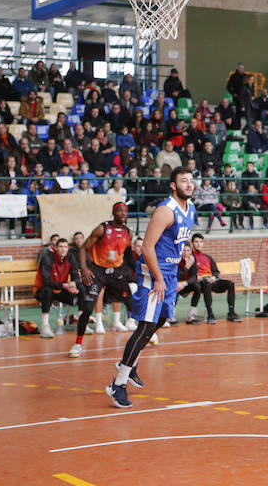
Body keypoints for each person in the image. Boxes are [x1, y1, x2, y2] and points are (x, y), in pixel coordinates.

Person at [105, 167, 196, 408]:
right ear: (173, 185)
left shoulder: (191, 208)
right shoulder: (166, 211)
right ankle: (119, 383)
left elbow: (180, 237)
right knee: (146, 327)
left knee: (158, 322)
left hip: (170, 273)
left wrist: (185, 254)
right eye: (183, 181)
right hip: (152, 274)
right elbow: (147, 247)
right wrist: (157, 278)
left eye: (191, 180)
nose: (189, 184)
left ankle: (130, 363)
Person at [70, 202, 135, 358]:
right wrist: (84, 268)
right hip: (98, 271)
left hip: (117, 271)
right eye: (119, 211)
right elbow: (83, 248)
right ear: (113, 213)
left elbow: (128, 254)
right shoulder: (103, 229)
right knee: (87, 307)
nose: (123, 214)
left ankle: (147, 334)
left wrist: (135, 271)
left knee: (132, 303)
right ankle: (78, 343)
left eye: (125, 211)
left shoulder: (128, 233)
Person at [188, 233, 243, 323]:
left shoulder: (208, 257)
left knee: (230, 284)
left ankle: (231, 313)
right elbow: (190, 273)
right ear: (192, 243)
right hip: (201, 282)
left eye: (201, 242)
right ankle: (210, 314)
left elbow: (216, 271)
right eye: (196, 242)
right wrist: (200, 277)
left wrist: (214, 277)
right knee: (207, 284)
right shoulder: (191, 257)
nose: (198, 244)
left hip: (212, 280)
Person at [34, 237, 80, 338]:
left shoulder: (70, 257)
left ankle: (82, 322)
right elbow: (46, 281)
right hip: (42, 290)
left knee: (82, 289)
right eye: (60, 247)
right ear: (55, 248)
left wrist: (73, 284)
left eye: (65, 247)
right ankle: (45, 326)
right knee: (48, 290)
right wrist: (64, 285)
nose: (63, 249)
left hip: (61, 289)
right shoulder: (47, 258)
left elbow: (76, 276)